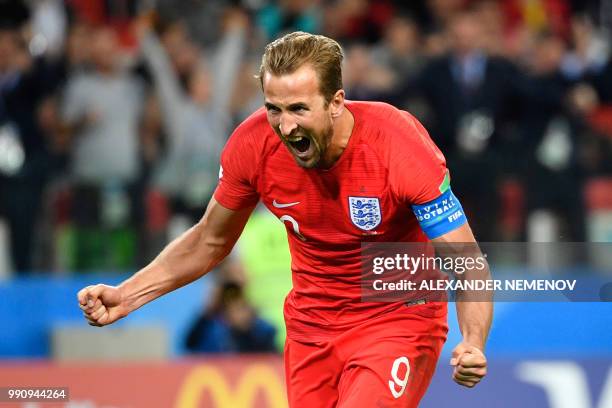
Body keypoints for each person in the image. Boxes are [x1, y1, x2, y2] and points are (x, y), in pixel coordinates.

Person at [78, 31, 492, 407]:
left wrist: (473, 341)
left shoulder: (397, 145)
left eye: (298, 108)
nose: (285, 125)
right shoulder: (252, 145)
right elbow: (209, 241)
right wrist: (128, 295)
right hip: (310, 328)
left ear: (336, 102)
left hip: (396, 317)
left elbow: (466, 260)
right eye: (273, 109)